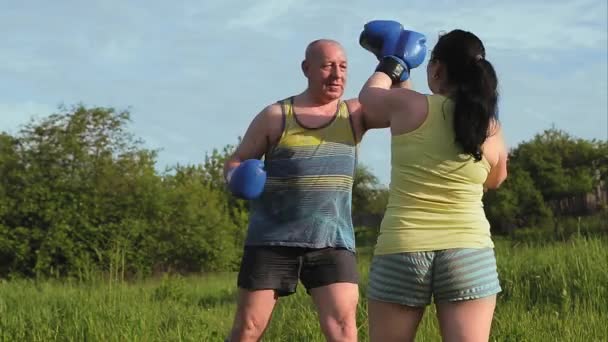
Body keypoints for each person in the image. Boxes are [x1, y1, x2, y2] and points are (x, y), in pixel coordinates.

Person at [223, 39, 388, 342]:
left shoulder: (353, 114)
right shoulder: (276, 116)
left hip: (332, 240)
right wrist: (236, 178)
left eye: (343, 66)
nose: (337, 74)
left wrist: (396, 64)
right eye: (327, 66)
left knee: (344, 329)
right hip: (271, 240)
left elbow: (398, 105)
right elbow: (236, 161)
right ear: (306, 69)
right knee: (247, 329)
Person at [358, 28, 508, 342]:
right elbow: (497, 179)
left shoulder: (410, 106)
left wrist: (392, 62)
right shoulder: (490, 127)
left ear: (437, 69)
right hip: (468, 251)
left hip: (403, 247)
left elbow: (369, 99)